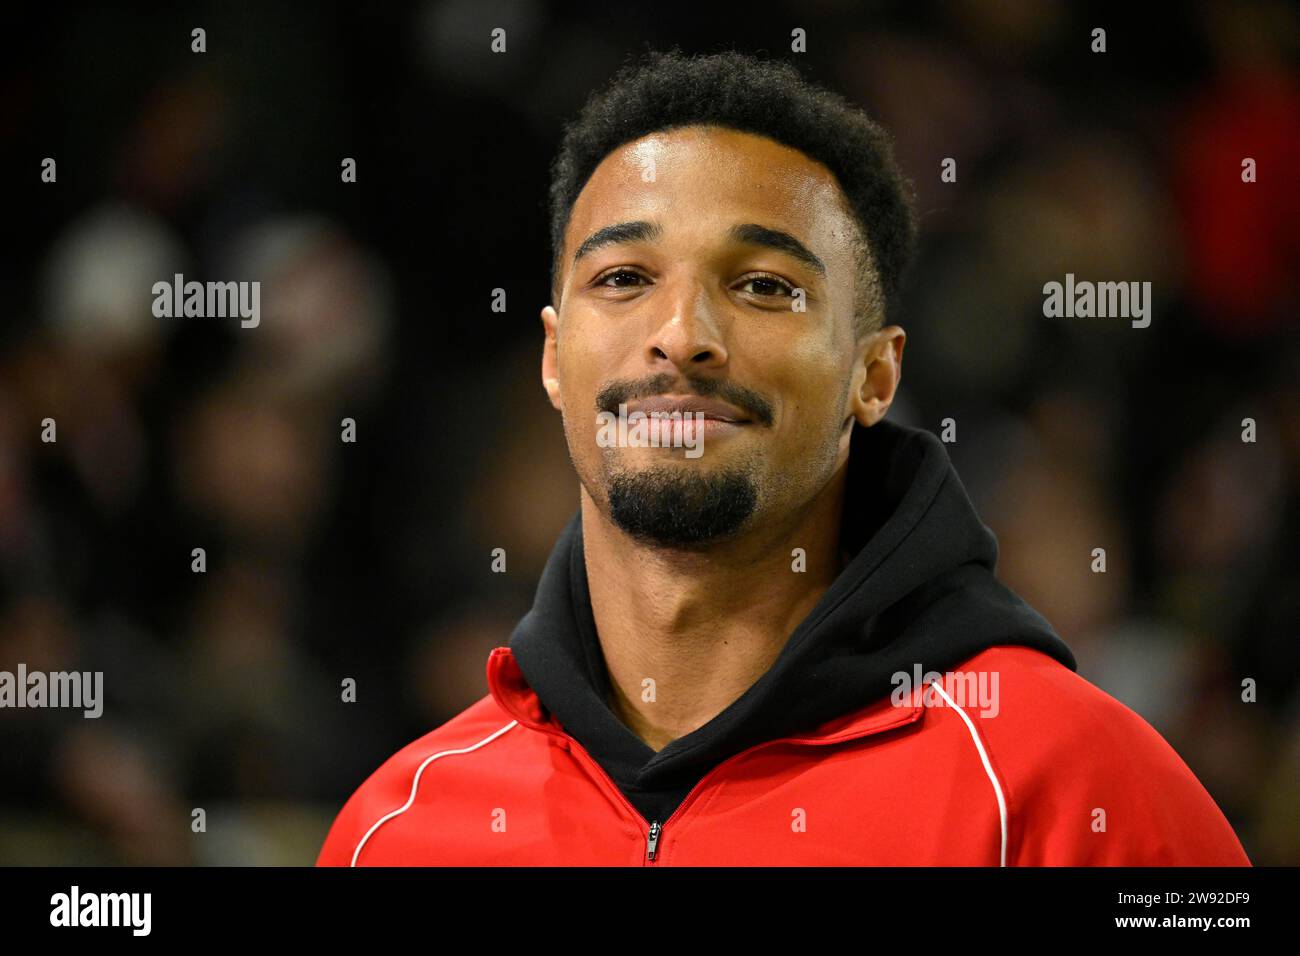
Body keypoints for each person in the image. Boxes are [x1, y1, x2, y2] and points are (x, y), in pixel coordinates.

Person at [317, 49, 1250, 866]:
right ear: (555, 360)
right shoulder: (397, 829)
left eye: (764, 286)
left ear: (873, 375)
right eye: (624, 279)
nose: (680, 335)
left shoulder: (1074, 790)